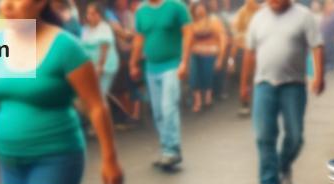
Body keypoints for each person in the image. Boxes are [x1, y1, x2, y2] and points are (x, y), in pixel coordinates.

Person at [0, 0, 124, 184]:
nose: (6, 6)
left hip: (55, 159)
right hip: (9, 161)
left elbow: (96, 106)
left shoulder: (66, 48)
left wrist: (110, 159)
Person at [240, 0, 325, 184]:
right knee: (263, 135)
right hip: (264, 85)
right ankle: (269, 183)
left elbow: (317, 46)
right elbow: (249, 52)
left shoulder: (304, 16)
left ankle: (282, 165)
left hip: (293, 85)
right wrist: (244, 84)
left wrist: (319, 76)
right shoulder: (258, 18)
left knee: (295, 136)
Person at [130, 0, 191, 170]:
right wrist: (133, 63)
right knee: (157, 111)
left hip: (172, 65)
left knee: (168, 107)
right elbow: (139, 39)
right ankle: (166, 149)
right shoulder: (141, 11)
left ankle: (172, 150)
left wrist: (185, 62)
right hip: (151, 67)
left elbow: (188, 33)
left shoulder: (176, 6)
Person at [188, 1, 227, 112]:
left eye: (201, 7)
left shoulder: (213, 21)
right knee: (194, 72)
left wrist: (220, 57)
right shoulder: (191, 23)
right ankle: (198, 100)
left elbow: (222, 38)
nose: (199, 10)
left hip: (210, 52)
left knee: (207, 71)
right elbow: (187, 41)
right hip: (195, 52)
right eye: (197, 8)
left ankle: (208, 97)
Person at [83, 1, 120, 96]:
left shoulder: (104, 28)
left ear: (98, 15)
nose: (89, 16)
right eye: (88, 13)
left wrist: (99, 67)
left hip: (105, 67)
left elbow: (104, 50)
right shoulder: (86, 29)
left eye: (92, 13)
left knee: (100, 95)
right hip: (92, 68)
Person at [231, 0, 261, 114]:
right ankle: (245, 102)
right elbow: (235, 31)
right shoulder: (241, 12)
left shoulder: (262, 12)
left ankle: (260, 101)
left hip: (260, 48)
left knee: (259, 77)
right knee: (246, 77)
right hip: (245, 49)